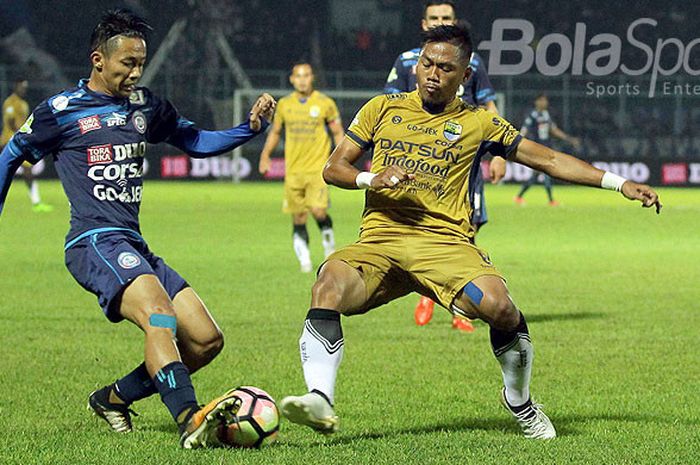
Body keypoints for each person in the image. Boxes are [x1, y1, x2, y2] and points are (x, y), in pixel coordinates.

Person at [280, 24, 661, 440]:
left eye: (445, 68)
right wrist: (373, 179)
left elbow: (548, 159)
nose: (431, 73)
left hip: (445, 245)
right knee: (327, 287)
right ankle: (320, 397)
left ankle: (519, 400)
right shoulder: (381, 108)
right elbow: (334, 168)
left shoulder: (480, 122)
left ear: (465, 76)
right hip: (381, 240)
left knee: (501, 308)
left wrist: (618, 183)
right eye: (426, 63)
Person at [0, 9, 276, 449]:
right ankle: (189, 418)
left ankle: (112, 398)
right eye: (127, 63)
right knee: (159, 316)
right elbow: (10, 154)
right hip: (92, 241)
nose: (135, 72)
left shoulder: (146, 106)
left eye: (140, 63)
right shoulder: (61, 111)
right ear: (98, 60)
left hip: (133, 243)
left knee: (205, 340)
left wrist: (249, 129)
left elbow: (196, 142)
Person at [384, 0, 503, 331]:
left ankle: (450, 302)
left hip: (465, 163)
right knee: (427, 228)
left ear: (455, 22)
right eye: (434, 18)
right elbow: (390, 106)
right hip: (422, 165)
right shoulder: (408, 62)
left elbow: (489, 106)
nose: (440, 22)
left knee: (469, 229)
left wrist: (499, 154)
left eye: (446, 18)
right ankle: (435, 292)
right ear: (424, 24)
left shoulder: (472, 63)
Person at [259, 62, 344, 272]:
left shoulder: (325, 103)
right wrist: (265, 155)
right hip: (294, 171)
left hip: (318, 169)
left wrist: (342, 157)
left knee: (318, 211)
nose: (302, 79)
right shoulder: (285, 105)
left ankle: (329, 248)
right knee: (298, 216)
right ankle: (304, 260)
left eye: (306, 75)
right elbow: (276, 132)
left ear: (312, 77)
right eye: (298, 76)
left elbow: (337, 132)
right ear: (292, 79)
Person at [515, 94, 581, 206]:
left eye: (545, 100)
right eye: (542, 100)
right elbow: (524, 130)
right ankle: (551, 200)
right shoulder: (533, 115)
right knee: (546, 171)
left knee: (537, 174)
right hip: (536, 148)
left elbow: (554, 130)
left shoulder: (546, 115)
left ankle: (519, 197)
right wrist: (517, 142)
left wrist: (569, 139)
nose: (545, 102)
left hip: (545, 147)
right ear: (537, 102)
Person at [1, 79, 53, 212]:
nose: (24, 89)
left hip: (19, 140)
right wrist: (24, 132)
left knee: (26, 171)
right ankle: (36, 201)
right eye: (22, 87)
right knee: (27, 171)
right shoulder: (11, 103)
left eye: (25, 87)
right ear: (16, 87)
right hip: (9, 141)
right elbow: (11, 121)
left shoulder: (23, 103)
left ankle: (36, 201)